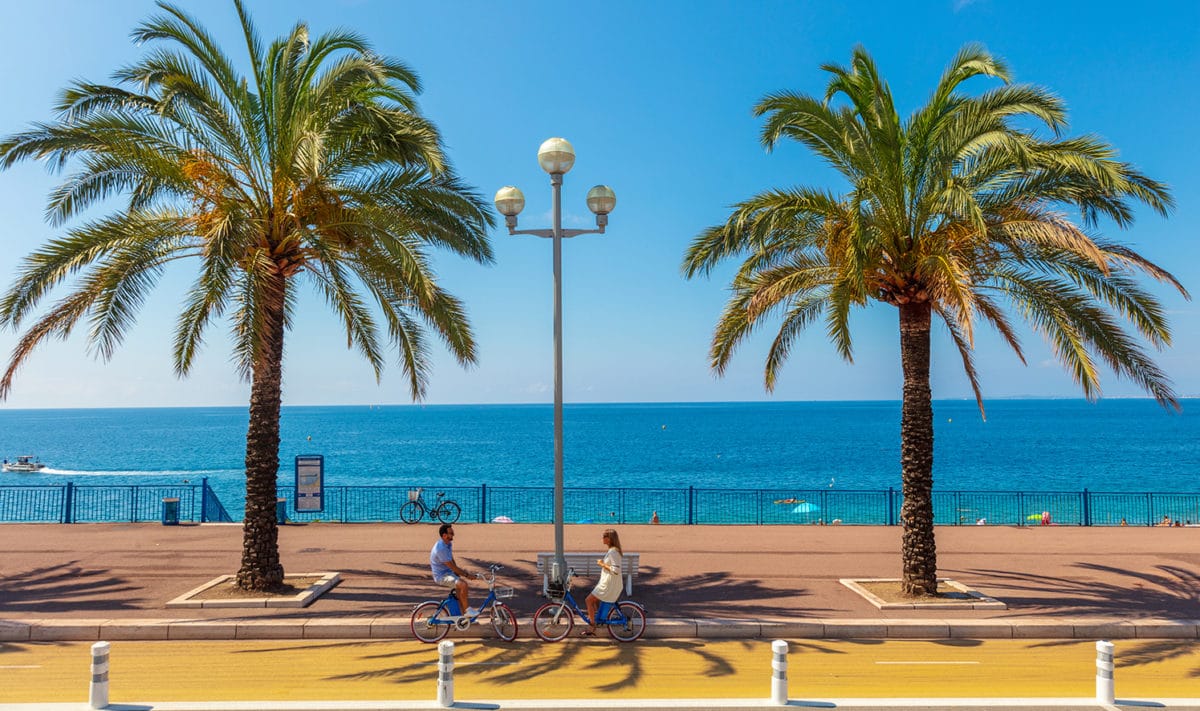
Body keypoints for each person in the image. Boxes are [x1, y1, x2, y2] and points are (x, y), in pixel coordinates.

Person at [583, 528, 623, 637]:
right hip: (607, 583)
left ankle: (592, 626)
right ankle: (597, 620)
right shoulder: (613, 551)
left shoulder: (613, 552)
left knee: (588, 600)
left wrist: (601, 564)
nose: (602, 539)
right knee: (594, 601)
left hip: (609, 584)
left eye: (604, 537)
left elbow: (616, 570)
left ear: (609, 539)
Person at [430, 523, 474, 617]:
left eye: (452, 532)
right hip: (442, 576)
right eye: (451, 533)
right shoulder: (441, 549)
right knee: (463, 585)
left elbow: (451, 558)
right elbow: (452, 566)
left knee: (460, 595)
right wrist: (467, 575)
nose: (453, 534)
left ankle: (464, 617)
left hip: (448, 573)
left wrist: (457, 573)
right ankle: (468, 611)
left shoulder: (447, 543)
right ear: (444, 535)